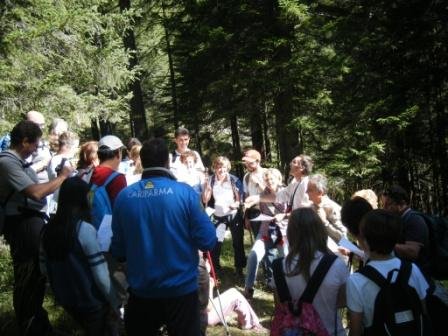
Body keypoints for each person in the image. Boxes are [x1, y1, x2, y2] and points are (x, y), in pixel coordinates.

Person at [111, 137, 216, 336]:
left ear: (142, 161)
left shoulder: (124, 197)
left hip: (141, 292)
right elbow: (208, 240)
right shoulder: (184, 193)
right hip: (181, 292)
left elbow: (118, 250)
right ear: (167, 162)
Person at [0, 120, 74, 335]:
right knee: (28, 274)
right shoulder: (7, 163)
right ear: (24, 141)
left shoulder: (20, 163)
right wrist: (63, 177)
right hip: (22, 225)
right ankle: (29, 325)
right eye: (34, 144)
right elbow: (36, 192)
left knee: (37, 275)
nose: (35, 149)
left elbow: (39, 190)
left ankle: (39, 324)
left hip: (31, 221)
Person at [40, 176, 121, 335]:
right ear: (82, 199)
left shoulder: (46, 230)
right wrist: (115, 302)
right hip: (91, 301)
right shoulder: (83, 230)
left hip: (67, 299)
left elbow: (43, 268)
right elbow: (101, 276)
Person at [346, 209, 429, 336]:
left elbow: (356, 330)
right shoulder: (412, 269)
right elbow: (424, 311)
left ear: (365, 242)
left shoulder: (356, 281)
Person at [275, 208, 348, 336]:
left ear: (290, 233)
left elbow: (280, 305)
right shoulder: (336, 265)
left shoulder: (278, 267)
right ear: (320, 231)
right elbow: (343, 301)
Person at [244, 168, 287, 299]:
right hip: (266, 230)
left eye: (271, 179)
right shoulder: (263, 193)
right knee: (253, 255)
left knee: (285, 260)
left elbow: (288, 208)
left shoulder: (285, 191)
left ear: (279, 179)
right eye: (266, 179)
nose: (269, 182)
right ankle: (248, 289)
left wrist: (283, 215)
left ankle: (286, 291)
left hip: (283, 232)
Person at [202, 156, 245, 276]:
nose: (222, 170)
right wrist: (207, 187)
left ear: (228, 168)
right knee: (216, 241)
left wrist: (235, 205)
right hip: (218, 215)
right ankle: (215, 267)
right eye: (219, 167)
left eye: (224, 167)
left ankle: (239, 268)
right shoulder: (211, 180)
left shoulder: (233, 180)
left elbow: (239, 200)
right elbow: (206, 199)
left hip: (232, 214)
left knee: (237, 242)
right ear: (215, 168)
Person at [245, 154, 313, 214]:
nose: (290, 164)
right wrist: (257, 198)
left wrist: (285, 216)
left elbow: (305, 210)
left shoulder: (306, 184)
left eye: (294, 162)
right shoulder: (295, 182)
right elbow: (279, 196)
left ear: (302, 168)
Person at [306, 174, 347, 254]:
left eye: (310, 190)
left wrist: (325, 222)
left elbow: (343, 237)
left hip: (335, 257)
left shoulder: (332, 208)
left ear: (320, 192)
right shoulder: (311, 207)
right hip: (317, 255)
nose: (306, 192)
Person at [241, 149, 266, 238]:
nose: (247, 165)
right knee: (258, 240)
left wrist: (258, 183)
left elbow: (273, 194)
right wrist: (246, 217)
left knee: (270, 243)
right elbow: (246, 197)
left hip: (267, 212)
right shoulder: (246, 177)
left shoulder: (267, 173)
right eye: (246, 162)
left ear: (258, 161)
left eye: (250, 162)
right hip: (253, 212)